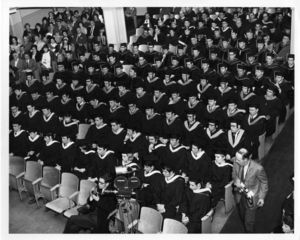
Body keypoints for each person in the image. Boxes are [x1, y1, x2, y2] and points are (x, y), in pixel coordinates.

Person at [232, 148, 268, 233]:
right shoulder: (236, 162)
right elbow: (234, 174)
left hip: (252, 198)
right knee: (242, 216)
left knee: (248, 222)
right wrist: (236, 180)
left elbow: (264, 182)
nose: (236, 161)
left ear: (246, 159)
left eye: (238, 160)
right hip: (239, 195)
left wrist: (262, 197)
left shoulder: (258, 168)